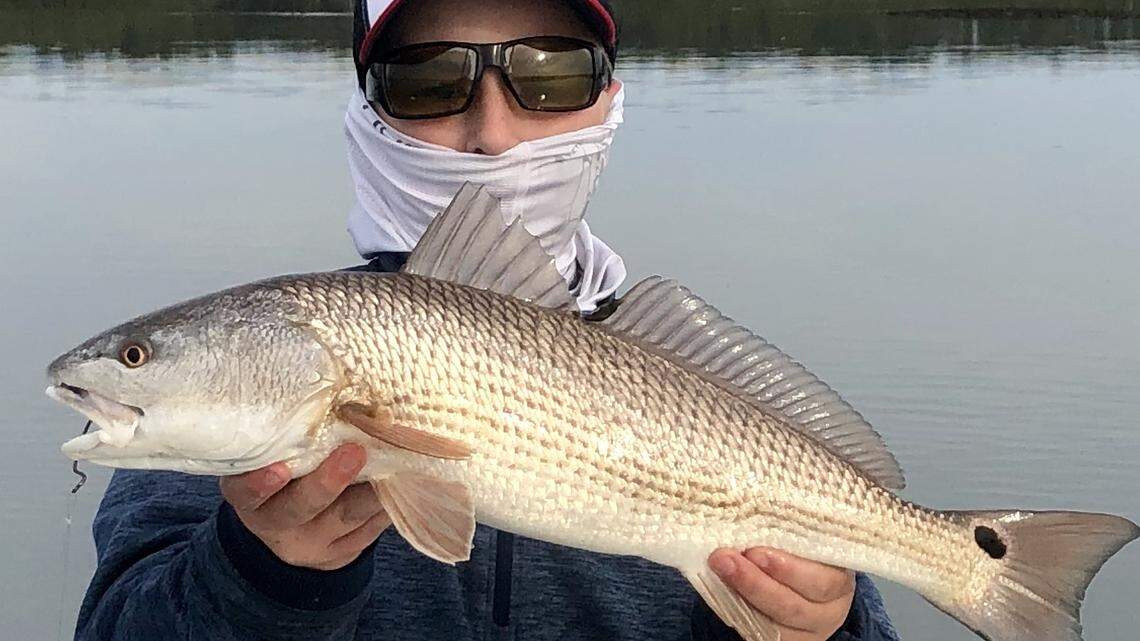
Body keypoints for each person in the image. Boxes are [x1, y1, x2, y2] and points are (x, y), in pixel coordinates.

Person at [74, 2, 900, 640]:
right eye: (430, 81)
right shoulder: (209, 433)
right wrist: (260, 575)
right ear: (368, 113)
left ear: (610, 99)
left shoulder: (705, 391)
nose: (494, 135)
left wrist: (819, 626)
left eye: (552, 76)